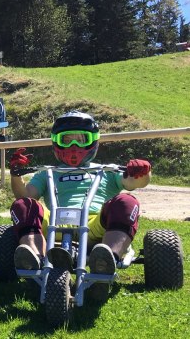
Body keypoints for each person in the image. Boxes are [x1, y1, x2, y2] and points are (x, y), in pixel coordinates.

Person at [9, 110, 151, 298]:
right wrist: (16, 175)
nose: (74, 146)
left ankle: (107, 258)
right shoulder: (48, 172)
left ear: (93, 141)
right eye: (67, 140)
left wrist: (143, 171)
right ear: (56, 141)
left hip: (95, 225)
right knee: (23, 205)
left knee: (127, 201)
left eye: (81, 140)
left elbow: (134, 183)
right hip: (54, 224)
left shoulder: (107, 170)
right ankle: (35, 258)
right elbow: (25, 196)